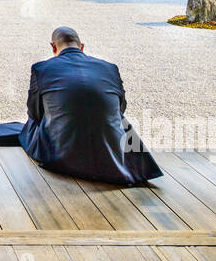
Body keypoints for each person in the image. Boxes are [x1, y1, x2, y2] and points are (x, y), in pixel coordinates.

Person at [19, 26, 162, 185]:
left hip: (59, 152)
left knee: (35, 123)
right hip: (110, 150)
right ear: (82, 47)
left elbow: (34, 113)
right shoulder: (110, 68)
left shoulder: (41, 69)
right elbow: (120, 109)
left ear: (53, 47)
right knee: (116, 119)